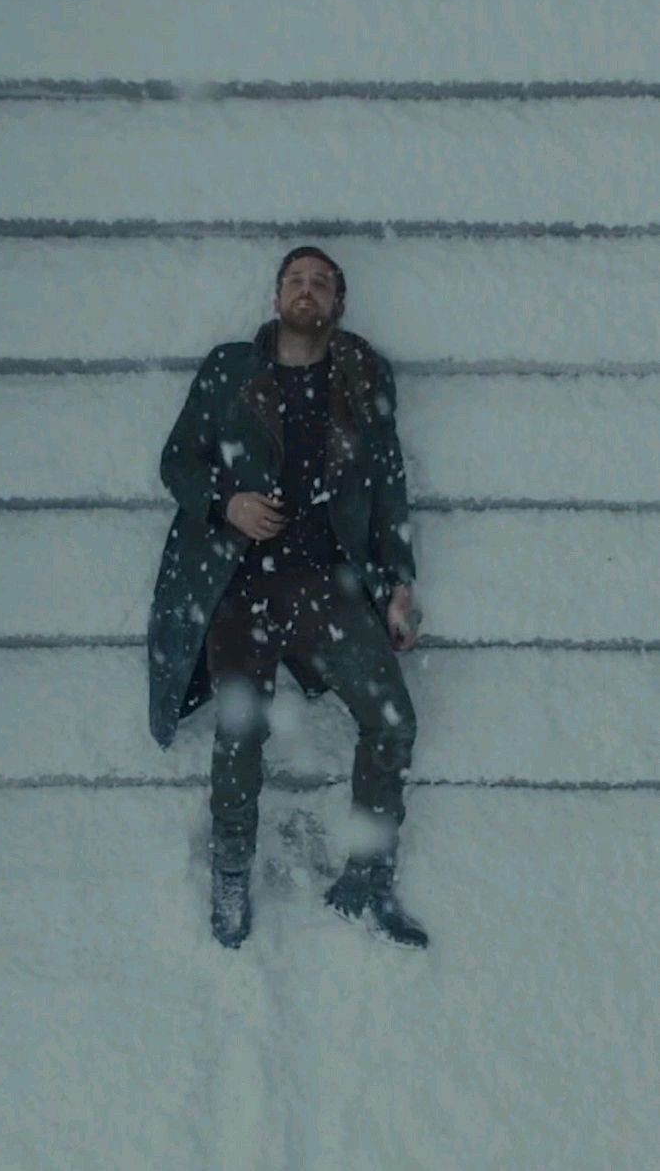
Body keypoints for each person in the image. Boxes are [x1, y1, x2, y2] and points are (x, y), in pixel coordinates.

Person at [148, 246, 428, 950]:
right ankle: (231, 875)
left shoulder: (363, 376)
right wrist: (228, 503)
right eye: (296, 280)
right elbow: (176, 462)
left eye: (321, 283)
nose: (308, 290)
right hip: (239, 583)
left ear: (338, 302)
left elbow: (389, 487)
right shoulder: (230, 370)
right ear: (276, 297)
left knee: (393, 721)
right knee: (240, 729)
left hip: (329, 586)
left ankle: (367, 881)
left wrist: (399, 584)